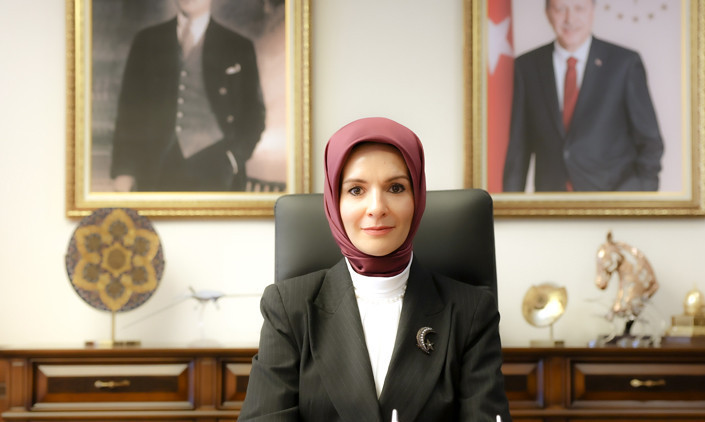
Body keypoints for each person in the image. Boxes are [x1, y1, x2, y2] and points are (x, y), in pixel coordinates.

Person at [238, 117, 512, 421]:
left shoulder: (471, 311)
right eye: (356, 190)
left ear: (417, 198)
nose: (377, 207)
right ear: (334, 202)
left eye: (396, 187)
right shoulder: (288, 308)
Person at [503, 0, 664, 192]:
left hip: (612, 200)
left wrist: (637, 199)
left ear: (592, 11)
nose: (570, 19)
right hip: (551, 202)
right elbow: (518, 149)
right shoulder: (526, 67)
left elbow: (650, 143)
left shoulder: (624, 64)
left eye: (579, 8)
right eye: (560, 9)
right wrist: (511, 206)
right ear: (547, 13)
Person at [110, 0, 265, 192]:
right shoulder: (147, 41)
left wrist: (233, 159)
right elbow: (128, 112)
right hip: (155, 169)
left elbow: (254, 115)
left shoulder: (238, 46)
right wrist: (124, 170)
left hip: (216, 171)